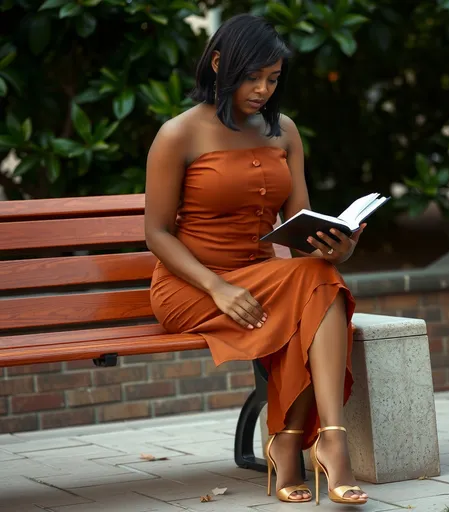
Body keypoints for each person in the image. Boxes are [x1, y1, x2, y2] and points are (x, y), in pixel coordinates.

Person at [145, 13, 368, 506]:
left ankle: (320, 438)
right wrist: (218, 287)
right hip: (192, 286)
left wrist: (339, 244)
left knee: (320, 279)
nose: (262, 90)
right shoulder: (178, 134)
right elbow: (156, 234)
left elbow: (301, 225)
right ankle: (300, 444)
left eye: (272, 79)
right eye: (252, 77)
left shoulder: (283, 131)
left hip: (262, 277)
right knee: (312, 294)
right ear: (220, 64)